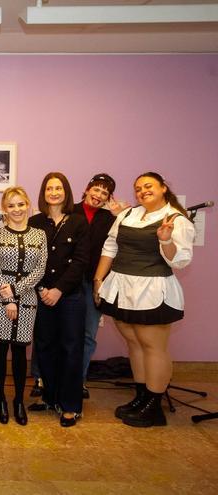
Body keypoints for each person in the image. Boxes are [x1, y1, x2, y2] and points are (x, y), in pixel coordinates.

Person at [95, 172, 195, 428]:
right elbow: (110, 247)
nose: (142, 191)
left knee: (153, 346)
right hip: (121, 287)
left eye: (148, 186)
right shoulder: (128, 215)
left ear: (163, 188)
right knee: (134, 344)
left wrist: (165, 241)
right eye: (138, 188)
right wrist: (99, 280)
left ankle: (154, 405)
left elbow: (180, 260)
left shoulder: (176, 219)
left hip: (152, 290)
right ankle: (141, 396)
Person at [28, 172, 90, 427]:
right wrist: (43, 288)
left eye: (58, 188)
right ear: (43, 192)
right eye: (49, 188)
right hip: (41, 295)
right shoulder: (35, 222)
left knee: (71, 350)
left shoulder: (78, 222)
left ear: (66, 192)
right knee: (44, 347)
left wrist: (59, 290)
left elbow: (80, 262)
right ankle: (49, 397)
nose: (54, 192)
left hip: (70, 297)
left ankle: (70, 405)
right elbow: (31, 260)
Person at [0, 187, 47, 426]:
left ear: (28, 205)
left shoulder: (39, 235)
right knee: (0, 350)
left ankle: (18, 400)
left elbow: (40, 269)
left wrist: (16, 292)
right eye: (11, 205)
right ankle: (0, 398)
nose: (17, 209)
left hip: (27, 298)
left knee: (20, 351)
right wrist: (8, 297)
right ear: (4, 209)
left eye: (21, 204)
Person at [74, 173, 123, 398]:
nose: (99, 195)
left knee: (88, 335)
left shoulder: (110, 218)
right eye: (96, 189)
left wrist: (119, 217)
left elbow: (116, 248)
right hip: (68, 283)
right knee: (56, 333)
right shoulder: (69, 211)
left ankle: (79, 380)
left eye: (105, 193)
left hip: (95, 283)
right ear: (87, 189)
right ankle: (43, 379)